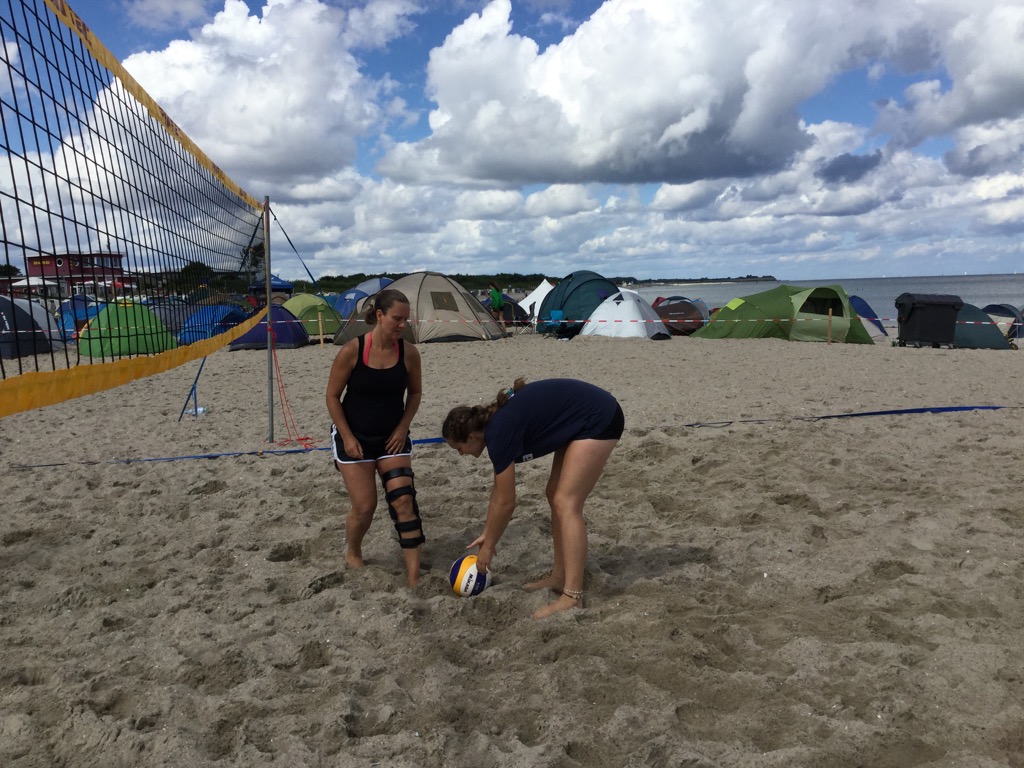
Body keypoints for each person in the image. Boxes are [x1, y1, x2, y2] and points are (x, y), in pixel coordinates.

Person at [442, 377, 624, 618]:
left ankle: (572, 596)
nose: (461, 454)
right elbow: (498, 492)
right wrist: (487, 534)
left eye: (459, 448)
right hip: (578, 417)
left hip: (598, 417)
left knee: (566, 503)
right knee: (554, 494)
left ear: (472, 436)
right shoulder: (495, 427)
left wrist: (490, 547)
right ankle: (559, 575)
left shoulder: (498, 432)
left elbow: (507, 501)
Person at [326, 289, 424, 587]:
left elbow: (415, 393)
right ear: (379, 315)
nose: (402, 325)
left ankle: (414, 575)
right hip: (354, 436)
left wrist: (402, 427)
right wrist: (347, 436)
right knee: (365, 506)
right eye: (397, 318)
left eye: (406, 320)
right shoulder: (352, 351)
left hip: (392, 437)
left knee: (404, 501)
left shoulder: (409, 353)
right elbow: (332, 396)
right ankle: (353, 551)